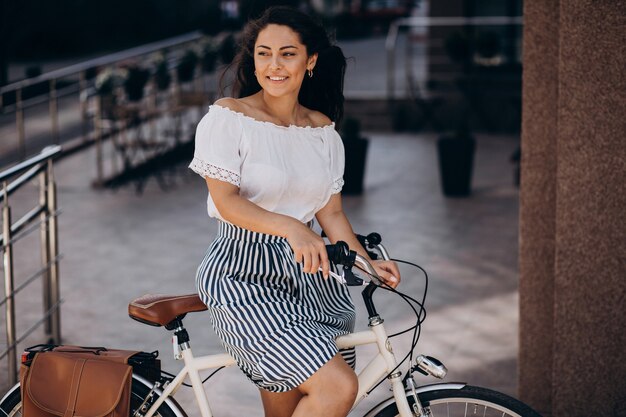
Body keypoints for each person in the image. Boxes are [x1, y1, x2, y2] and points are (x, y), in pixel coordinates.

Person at [189, 6, 401, 417]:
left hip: (314, 279)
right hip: (243, 277)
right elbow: (226, 201)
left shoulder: (322, 130)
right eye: (264, 53)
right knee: (337, 387)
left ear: (311, 60)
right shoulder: (230, 117)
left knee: (291, 410)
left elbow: (332, 215)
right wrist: (291, 228)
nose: (274, 65)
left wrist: (367, 265)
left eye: (287, 53)